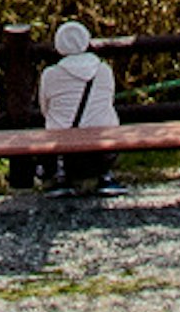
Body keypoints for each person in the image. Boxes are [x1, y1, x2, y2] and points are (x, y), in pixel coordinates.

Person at [35, 15, 118, 188]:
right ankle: (105, 174)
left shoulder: (50, 74)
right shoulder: (104, 70)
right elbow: (108, 101)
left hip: (62, 148)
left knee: (54, 126)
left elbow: (45, 109)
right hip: (103, 143)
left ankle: (59, 175)